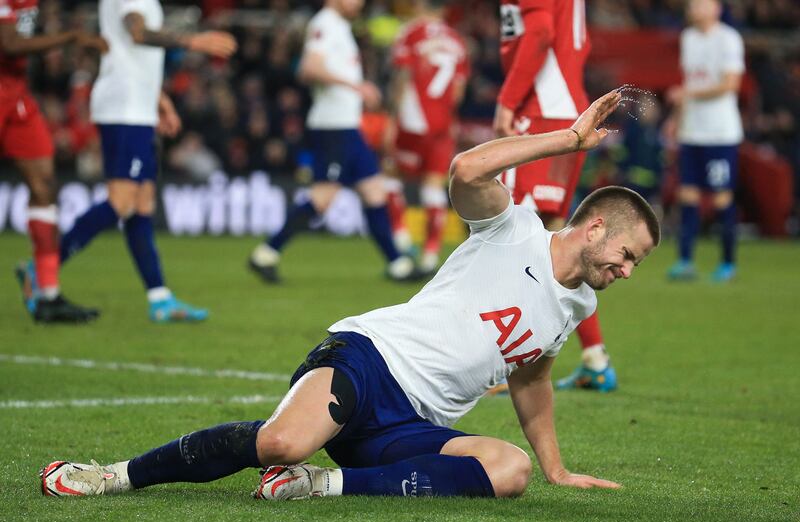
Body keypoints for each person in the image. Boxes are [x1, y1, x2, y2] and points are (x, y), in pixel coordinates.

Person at [40, 90, 661, 500]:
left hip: (414, 425)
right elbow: (466, 171)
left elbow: (532, 380)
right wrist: (568, 141)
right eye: (628, 255)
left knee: (510, 471)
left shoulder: (579, 305)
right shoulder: (515, 227)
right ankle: (112, 476)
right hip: (369, 359)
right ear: (596, 227)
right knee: (279, 442)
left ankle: (322, 486)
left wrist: (554, 465)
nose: (628, 272)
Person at [55, 0, 237, 322]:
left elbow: (131, 57)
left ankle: (159, 298)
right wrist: (192, 40)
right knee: (122, 200)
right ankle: (43, 268)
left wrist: (160, 100)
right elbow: (137, 33)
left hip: (136, 104)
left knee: (142, 203)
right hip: (124, 107)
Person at [247, 0, 419, 283]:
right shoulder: (324, 23)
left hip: (347, 126)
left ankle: (397, 264)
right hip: (332, 126)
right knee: (323, 198)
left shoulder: (339, 25)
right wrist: (355, 86)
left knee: (374, 191)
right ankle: (266, 253)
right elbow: (308, 68)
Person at [492, 0, 616, 393]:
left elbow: (540, 32)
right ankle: (595, 359)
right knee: (558, 241)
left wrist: (507, 100)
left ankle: (501, 363)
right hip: (567, 108)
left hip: (541, 108)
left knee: (504, 237)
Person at [3, 0, 107, 323]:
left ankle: (48, 295)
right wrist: (70, 37)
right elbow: (10, 44)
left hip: (16, 95)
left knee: (45, 185)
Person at [383, 0, 469, 274]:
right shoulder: (457, 42)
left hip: (412, 120)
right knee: (433, 187)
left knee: (391, 176)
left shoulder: (410, 33)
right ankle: (431, 256)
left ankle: (402, 241)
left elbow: (403, 76)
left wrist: (392, 118)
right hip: (442, 124)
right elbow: (458, 92)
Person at [666, 0, 743, 283]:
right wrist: (677, 118)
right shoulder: (688, 38)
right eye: (693, 4)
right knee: (687, 194)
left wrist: (688, 96)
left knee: (722, 196)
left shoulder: (728, 39)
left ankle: (727, 263)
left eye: (702, 4)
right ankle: (685, 261)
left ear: (716, 8)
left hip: (720, 133)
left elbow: (731, 84)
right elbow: (688, 83)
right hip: (693, 132)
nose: (695, 8)